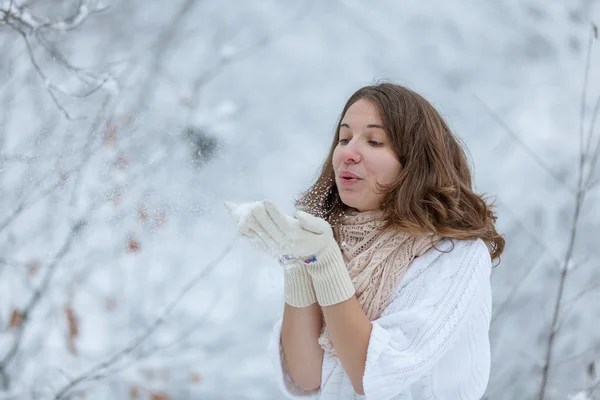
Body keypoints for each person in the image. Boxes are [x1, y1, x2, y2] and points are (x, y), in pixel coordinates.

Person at [225, 82, 504, 399]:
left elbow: (375, 375)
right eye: (344, 138)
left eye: (374, 141)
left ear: (415, 162)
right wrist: (298, 261)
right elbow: (307, 375)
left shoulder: (455, 255)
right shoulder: (331, 240)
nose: (348, 153)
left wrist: (325, 263)